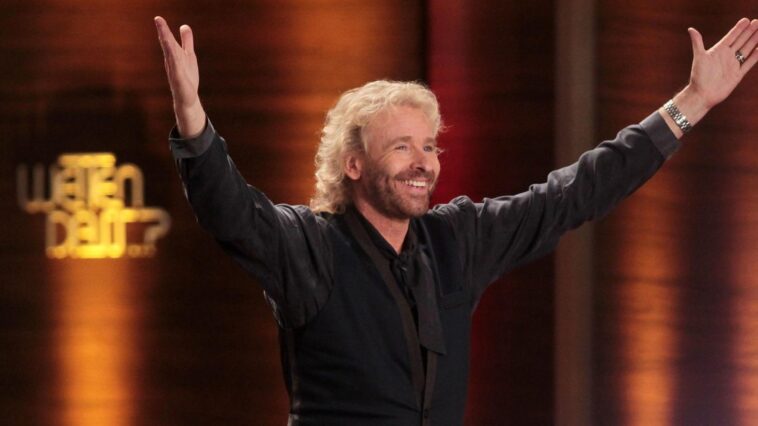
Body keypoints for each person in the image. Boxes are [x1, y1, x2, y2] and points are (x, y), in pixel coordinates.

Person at [155, 15, 757, 425]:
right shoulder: (308, 245)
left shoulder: (455, 239)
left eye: (430, 146)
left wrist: (691, 104)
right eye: (402, 148)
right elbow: (232, 212)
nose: (423, 163)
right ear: (353, 164)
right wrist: (191, 117)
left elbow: (572, 194)